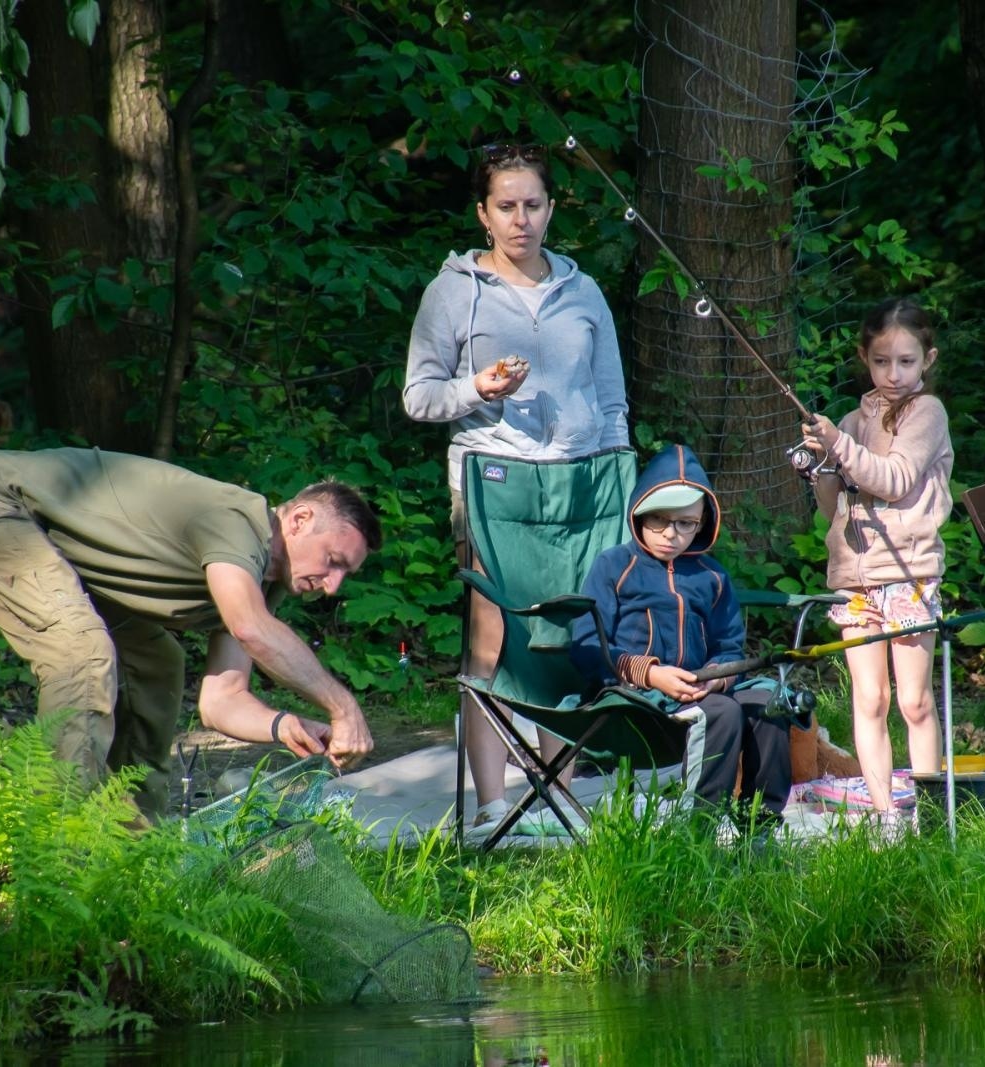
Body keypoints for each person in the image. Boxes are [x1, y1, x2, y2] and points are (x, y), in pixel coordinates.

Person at [0, 447, 382, 818]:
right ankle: (54, 848)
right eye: (334, 562)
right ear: (300, 520)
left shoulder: (263, 580)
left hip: (57, 548)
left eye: (346, 574)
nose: (333, 584)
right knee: (85, 656)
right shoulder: (237, 522)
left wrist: (285, 725)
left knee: (160, 664)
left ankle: (134, 847)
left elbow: (221, 702)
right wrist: (343, 705)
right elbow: (250, 628)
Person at [402, 140, 629, 831]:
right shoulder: (452, 292)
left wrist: (618, 475)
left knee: (563, 636)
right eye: (507, 206)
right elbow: (418, 396)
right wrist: (478, 387)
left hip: (579, 485)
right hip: (493, 479)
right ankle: (493, 804)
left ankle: (553, 797)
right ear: (483, 214)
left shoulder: (582, 291)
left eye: (533, 204)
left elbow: (613, 401)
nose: (521, 219)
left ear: (552, 208)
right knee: (492, 641)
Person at [796, 298, 955, 832]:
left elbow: (894, 479)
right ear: (865, 357)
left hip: (907, 573)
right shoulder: (850, 421)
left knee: (912, 701)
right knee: (870, 699)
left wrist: (840, 446)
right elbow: (833, 508)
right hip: (853, 580)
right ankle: (886, 815)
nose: (894, 374)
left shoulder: (927, 414)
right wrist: (821, 465)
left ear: (927, 359)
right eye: (882, 361)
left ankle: (930, 815)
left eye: (906, 361)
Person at [568, 444, 792, 816]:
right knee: (720, 712)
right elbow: (587, 646)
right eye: (660, 520)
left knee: (769, 704)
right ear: (638, 514)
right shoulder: (614, 566)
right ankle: (697, 828)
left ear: (703, 523)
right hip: (633, 696)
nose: (672, 534)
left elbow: (730, 647)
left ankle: (759, 827)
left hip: (701, 687)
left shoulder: (713, 576)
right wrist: (651, 674)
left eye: (686, 523)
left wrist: (715, 679)